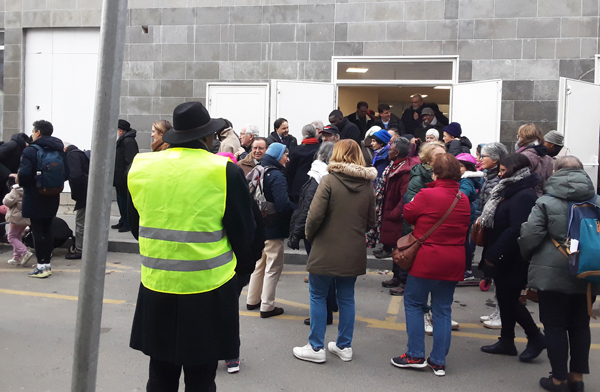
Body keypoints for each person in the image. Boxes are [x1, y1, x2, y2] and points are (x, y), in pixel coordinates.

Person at [127, 101, 255, 391]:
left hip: (156, 284)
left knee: (160, 376)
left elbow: (136, 227)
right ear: (208, 138)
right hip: (208, 289)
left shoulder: (142, 166)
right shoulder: (223, 170)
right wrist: (242, 271)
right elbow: (244, 233)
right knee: (201, 378)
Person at [519, 156, 598, 392]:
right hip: (589, 272)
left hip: (552, 273)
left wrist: (528, 256)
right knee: (580, 325)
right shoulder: (597, 201)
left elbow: (530, 236)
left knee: (554, 326)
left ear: (555, 172)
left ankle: (558, 379)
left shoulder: (545, 201)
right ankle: (577, 379)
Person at [293, 139, 376, 364]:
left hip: (326, 247)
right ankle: (344, 346)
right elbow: (371, 221)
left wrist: (310, 236)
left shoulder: (329, 180)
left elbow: (314, 216)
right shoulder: (368, 185)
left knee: (318, 295)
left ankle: (316, 346)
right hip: (353, 248)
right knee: (347, 297)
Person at [391, 153, 470, 377]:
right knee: (443, 309)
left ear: (435, 172)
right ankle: (438, 361)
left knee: (414, 303)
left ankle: (415, 355)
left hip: (427, 257)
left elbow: (408, 214)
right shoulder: (462, 198)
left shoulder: (427, 194)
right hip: (454, 258)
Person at [479, 154, 546, 362]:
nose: (499, 175)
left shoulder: (524, 195)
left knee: (509, 299)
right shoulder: (510, 190)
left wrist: (494, 253)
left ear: (516, 171)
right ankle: (507, 341)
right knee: (504, 298)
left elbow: (517, 229)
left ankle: (535, 336)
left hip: (512, 256)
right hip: (503, 254)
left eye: (502, 170)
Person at [288, 142, 336, 326]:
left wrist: (297, 233)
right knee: (328, 273)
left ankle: (324, 316)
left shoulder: (318, 177)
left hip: (316, 233)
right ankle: (331, 307)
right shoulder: (330, 176)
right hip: (326, 232)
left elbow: (308, 208)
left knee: (319, 275)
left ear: (321, 156)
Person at [246, 143, 296, 318]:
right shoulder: (276, 175)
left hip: (258, 224)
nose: (287, 159)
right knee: (273, 266)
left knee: (259, 264)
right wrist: (295, 209)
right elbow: (282, 204)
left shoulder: (259, 169)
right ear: (278, 156)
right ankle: (267, 306)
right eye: (285, 155)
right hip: (274, 226)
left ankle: (252, 300)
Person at [17, 120, 68, 278]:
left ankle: (41, 266)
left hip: (35, 195)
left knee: (37, 231)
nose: (32, 134)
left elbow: (24, 176)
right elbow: (66, 173)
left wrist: (20, 180)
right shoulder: (60, 149)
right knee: (48, 228)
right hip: (53, 195)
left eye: (33, 131)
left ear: (38, 132)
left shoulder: (31, 151)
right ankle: (47, 264)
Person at [369, 138, 420, 289]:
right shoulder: (395, 166)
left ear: (397, 153)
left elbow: (405, 197)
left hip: (397, 218)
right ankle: (396, 277)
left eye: (390, 149)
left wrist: (393, 214)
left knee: (402, 249)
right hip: (390, 213)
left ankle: (403, 281)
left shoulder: (405, 172)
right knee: (395, 248)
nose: (388, 151)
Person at [477, 142, 508, 328]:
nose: (480, 159)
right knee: (494, 275)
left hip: (497, 232)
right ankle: (498, 311)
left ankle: (502, 314)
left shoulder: (498, 180)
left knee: (499, 275)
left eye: (484, 156)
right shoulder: (488, 176)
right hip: (490, 230)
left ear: (495, 159)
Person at [456, 153, 484, 281]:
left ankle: (467, 270)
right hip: (466, 213)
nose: (457, 168)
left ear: (468, 168)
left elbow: (463, 195)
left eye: (460, 166)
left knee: (463, 243)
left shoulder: (466, 180)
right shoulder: (464, 178)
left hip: (465, 215)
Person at [0, 133, 30, 240]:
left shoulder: (19, 148)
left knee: (4, 207)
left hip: (5, 181)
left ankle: (1, 234)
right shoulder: (12, 145)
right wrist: (8, 173)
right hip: (4, 178)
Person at [65, 143, 90, 260]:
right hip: (90, 191)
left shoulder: (72, 155)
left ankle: (80, 250)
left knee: (81, 222)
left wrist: (75, 194)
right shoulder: (82, 154)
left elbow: (75, 175)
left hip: (83, 193)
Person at [112, 119, 138, 233]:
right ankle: (123, 220)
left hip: (124, 178)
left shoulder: (128, 141)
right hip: (119, 178)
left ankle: (127, 223)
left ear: (121, 131)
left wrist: (125, 176)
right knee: (121, 200)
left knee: (125, 201)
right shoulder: (122, 141)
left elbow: (130, 161)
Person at [516, 123, 553, 197]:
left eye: (519, 136)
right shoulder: (548, 158)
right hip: (543, 197)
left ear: (523, 137)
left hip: (525, 197)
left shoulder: (522, 156)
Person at [286, 124, 321, 204]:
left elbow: (290, 170)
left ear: (303, 134)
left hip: (298, 185)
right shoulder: (320, 149)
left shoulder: (296, 150)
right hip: (317, 184)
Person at [3, 183, 32, 266]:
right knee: (18, 237)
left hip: (16, 217)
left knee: (11, 237)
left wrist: (8, 195)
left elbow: (7, 202)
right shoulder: (29, 188)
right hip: (25, 217)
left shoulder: (15, 190)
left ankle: (25, 252)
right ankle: (17, 257)